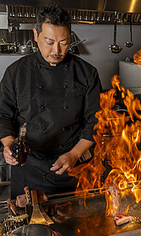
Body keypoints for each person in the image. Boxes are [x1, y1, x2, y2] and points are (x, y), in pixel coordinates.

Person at [0, 4, 102, 199]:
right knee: (29, 226)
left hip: (74, 167)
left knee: (79, 226)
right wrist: (10, 145)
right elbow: (2, 114)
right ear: (36, 35)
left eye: (63, 42)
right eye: (49, 42)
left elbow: (96, 119)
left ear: (70, 36)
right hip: (29, 166)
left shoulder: (86, 73)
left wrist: (74, 154)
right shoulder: (17, 72)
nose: (56, 50)